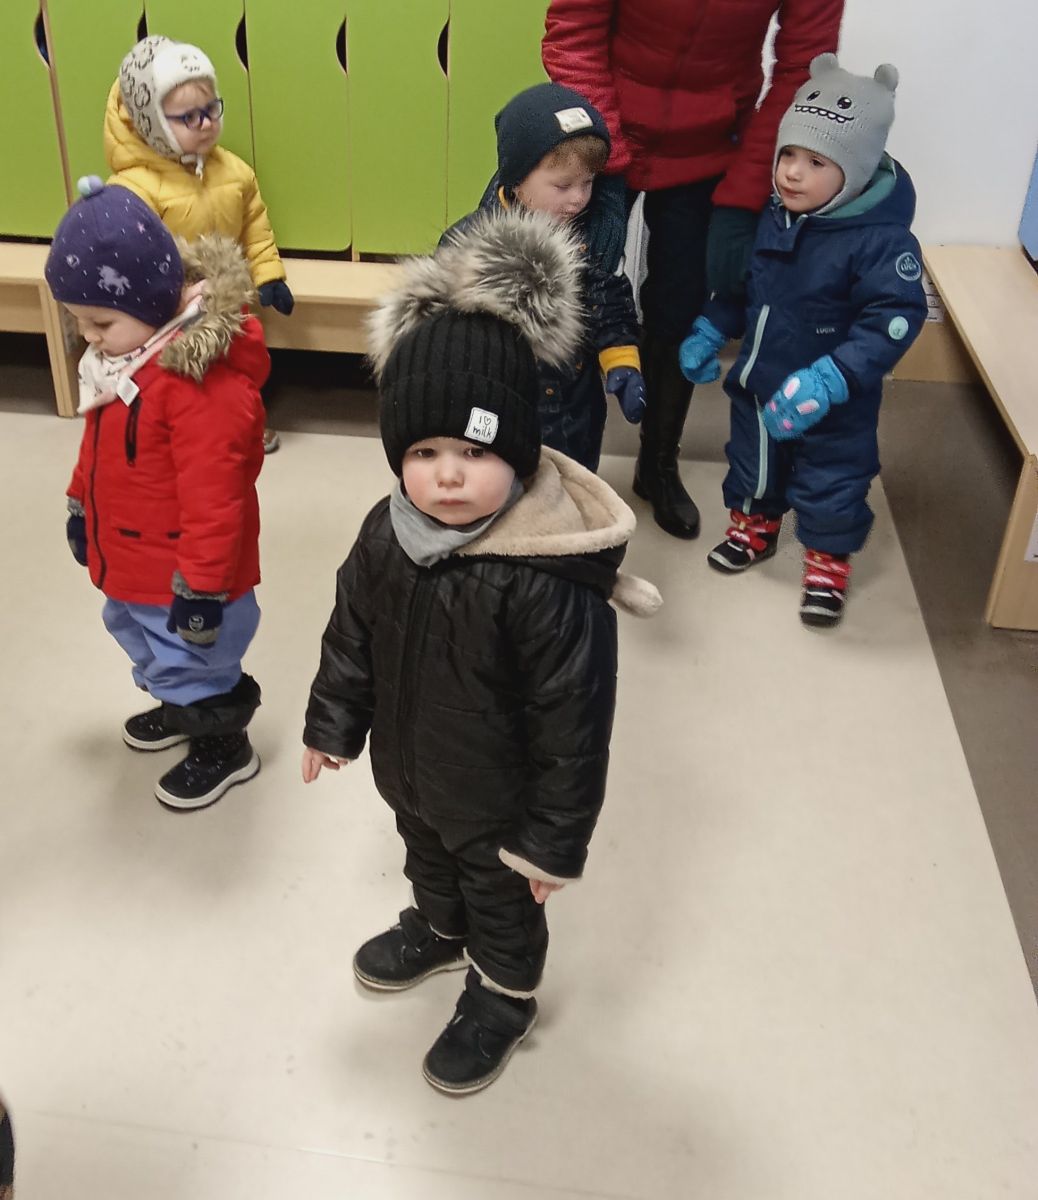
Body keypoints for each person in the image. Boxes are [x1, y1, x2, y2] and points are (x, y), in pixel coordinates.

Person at [302, 209, 660, 1095]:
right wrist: (332, 725)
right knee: (428, 863)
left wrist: (552, 844)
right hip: (414, 777)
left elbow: (575, 723)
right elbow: (352, 634)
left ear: (519, 449)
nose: (448, 474)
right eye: (424, 451)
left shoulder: (543, 577)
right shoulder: (387, 533)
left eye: (473, 449)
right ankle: (438, 928)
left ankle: (501, 997)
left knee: (502, 904)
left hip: (501, 808)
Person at [542, 0, 846, 537]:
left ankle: (658, 463)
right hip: (601, 125)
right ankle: (557, 463)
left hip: (711, 143)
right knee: (563, 294)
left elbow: (803, 67)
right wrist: (600, 150)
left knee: (681, 309)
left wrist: (744, 188)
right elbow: (576, 24)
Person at [679, 55, 927, 626]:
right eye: (787, 155)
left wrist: (832, 378)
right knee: (753, 464)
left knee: (831, 479)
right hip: (761, 384)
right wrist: (711, 327)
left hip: (833, 397)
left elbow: (893, 318)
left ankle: (826, 564)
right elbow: (747, 284)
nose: (792, 173)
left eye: (815, 162)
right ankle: (755, 529)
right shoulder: (775, 216)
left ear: (855, 172)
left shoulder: (880, 242)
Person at [46, 179, 268, 808]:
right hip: (132, 555)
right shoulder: (125, 363)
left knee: (196, 659)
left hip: (188, 572)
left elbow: (216, 499)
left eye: (100, 321)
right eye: (78, 321)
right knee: (138, 634)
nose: (89, 336)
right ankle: (179, 707)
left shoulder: (200, 385)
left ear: (149, 299)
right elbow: (99, 447)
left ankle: (225, 745)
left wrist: (202, 587)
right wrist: (80, 504)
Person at [442, 82, 643, 472]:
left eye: (588, 182)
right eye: (563, 186)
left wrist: (622, 360)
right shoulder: (468, 246)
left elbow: (608, 301)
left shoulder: (587, 239)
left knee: (572, 487)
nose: (578, 198)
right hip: (501, 414)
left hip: (575, 413)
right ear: (517, 181)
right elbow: (445, 334)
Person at [105, 34, 291, 453]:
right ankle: (181, 433)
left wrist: (268, 274)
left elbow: (255, 225)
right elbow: (131, 256)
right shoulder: (135, 188)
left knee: (242, 364)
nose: (205, 123)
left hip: (228, 296)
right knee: (180, 375)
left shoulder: (235, 171)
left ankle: (244, 423)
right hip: (171, 307)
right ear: (153, 124)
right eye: (188, 117)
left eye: (211, 110)